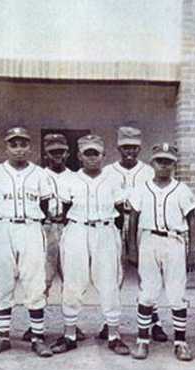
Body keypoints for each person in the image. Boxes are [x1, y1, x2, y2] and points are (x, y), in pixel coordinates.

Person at [51, 134, 130, 356]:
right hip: (77, 229)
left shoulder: (113, 179)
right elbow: (65, 210)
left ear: (103, 155)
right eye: (88, 153)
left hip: (105, 230)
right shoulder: (69, 180)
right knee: (73, 283)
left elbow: (121, 210)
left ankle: (114, 335)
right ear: (79, 156)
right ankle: (69, 335)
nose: (92, 157)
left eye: (96, 153)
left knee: (109, 283)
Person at [0, 127, 54, 358]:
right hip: (3, 226)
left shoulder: (41, 174)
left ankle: (37, 337)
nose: (19, 149)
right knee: (4, 282)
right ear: (6, 147)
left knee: (34, 282)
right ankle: (3, 337)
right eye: (14, 144)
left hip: (31, 227)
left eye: (23, 144)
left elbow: (43, 205)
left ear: (29, 147)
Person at [128, 143, 195, 361]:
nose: (164, 165)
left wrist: (193, 248)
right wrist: (132, 247)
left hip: (174, 240)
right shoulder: (141, 188)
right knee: (147, 292)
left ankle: (180, 342)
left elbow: (192, 219)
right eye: (160, 161)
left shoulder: (182, 189)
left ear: (174, 164)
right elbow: (133, 219)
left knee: (177, 293)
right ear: (152, 163)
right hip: (149, 240)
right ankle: (142, 341)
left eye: (168, 161)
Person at [102, 126, 167, 342]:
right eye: (125, 148)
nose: (129, 152)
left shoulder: (149, 171)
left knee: (147, 275)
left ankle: (154, 321)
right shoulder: (108, 171)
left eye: (134, 148)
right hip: (116, 223)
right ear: (118, 148)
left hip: (142, 224)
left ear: (140, 148)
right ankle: (109, 323)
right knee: (113, 275)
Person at [21, 133, 87, 343]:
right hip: (45, 227)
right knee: (42, 279)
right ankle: (35, 327)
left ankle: (72, 325)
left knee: (71, 279)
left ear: (67, 153)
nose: (57, 155)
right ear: (46, 154)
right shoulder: (37, 175)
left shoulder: (76, 177)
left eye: (61, 151)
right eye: (52, 152)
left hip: (69, 228)